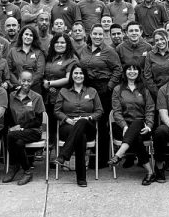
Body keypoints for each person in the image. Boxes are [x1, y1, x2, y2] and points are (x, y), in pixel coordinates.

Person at [78, 23, 122, 166]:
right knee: (89, 120)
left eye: (100, 34)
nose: (97, 36)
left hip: (104, 88)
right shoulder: (84, 49)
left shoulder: (109, 51)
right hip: (88, 87)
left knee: (102, 123)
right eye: (95, 34)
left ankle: (101, 159)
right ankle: (90, 156)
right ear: (90, 35)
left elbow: (118, 70)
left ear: (104, 36)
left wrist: (109, 86)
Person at [53, 65, 103, 187]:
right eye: (75, 73)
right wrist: (67, 119)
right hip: (68, 126)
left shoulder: (92, 91)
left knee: (82, 123)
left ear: (85, 76)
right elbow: (57, 111)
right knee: (80, 137)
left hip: (88, 125)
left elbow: (99, 111)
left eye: (81, 73)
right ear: (71, 75)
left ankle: (63, 155)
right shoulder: (63, 91)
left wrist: (88, 118)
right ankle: (81, 178)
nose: (78, 75)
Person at [109, 64, 156, 185]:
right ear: (124, 72)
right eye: (129, 69)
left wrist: (149, 126)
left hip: (142, 126)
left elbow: (150, 110)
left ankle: (118, 155)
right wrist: (124, 126)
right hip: (122, 127)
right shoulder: (118, 89)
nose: (132, 71)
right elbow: (117, 112)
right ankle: (150, 172)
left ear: (139, 72)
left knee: (137, 123)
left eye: (135, 69)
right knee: (136, 138)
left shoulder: (144, 90)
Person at [4, 70, 45, 185]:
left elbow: (38, 121)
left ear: (32, 82)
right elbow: (8, 115)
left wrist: (21, 127)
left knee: (11, 135)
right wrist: (14, 127)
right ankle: (27, 171)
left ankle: (13, 166)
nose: (26, 83)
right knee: (18, 142)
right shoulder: (11, 96)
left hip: (34, 131)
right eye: (23, 80)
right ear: (19, 80)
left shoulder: (37, 97)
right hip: (17, 132)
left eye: (28, 81)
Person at [43, 33, 78, 144]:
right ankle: (49, 150)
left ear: (68, 44)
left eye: (62, 42)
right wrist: (47, 85)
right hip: (48, 97)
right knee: (49, 127)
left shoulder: (72, 59)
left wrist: (50, 83)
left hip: (63, 98)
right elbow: (44, 75)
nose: (59, 45)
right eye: (57, 42)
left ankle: (60, 151)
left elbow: (68, 79)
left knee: (61, 128)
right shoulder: (49, 57)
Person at [144, 28, 169, 101]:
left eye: (162, 39)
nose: (160, 42)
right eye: (157, 40)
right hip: (156, 92)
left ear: (167, 38)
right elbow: (147, 76)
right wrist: (158, 93)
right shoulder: (150, 55)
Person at [7, 25, 46, 94]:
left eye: (31, 35)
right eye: (26, 34)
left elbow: (39, 73)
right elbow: (8, 70)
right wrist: (18, 83)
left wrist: (26, 84)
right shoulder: (12, 51)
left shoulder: (39, 53)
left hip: (34, 89)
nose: (28, 37)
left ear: (34, 38)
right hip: (16, 88)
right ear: (22, 36)